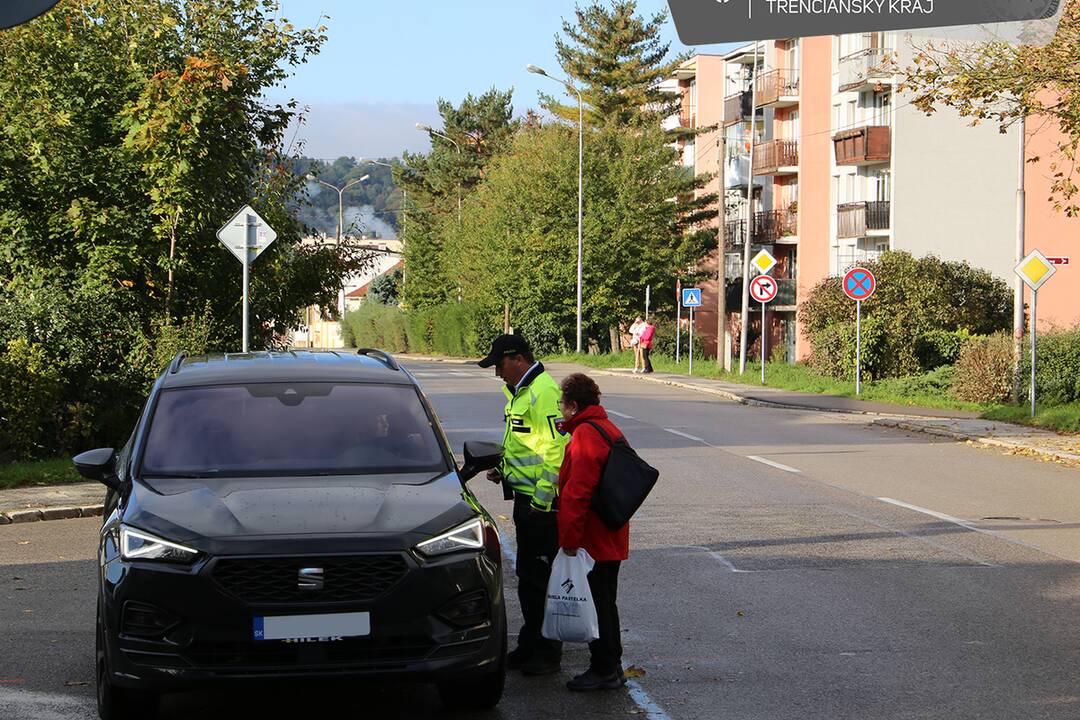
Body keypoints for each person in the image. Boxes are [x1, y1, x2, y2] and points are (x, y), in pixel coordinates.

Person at [478, 334, 569, 676]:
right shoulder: (521, 391)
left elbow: (556, 449)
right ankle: (530, 644)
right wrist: (503, 469)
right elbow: (522, 442)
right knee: (529, 577)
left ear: (517, 359)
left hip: (541, 506)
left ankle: (547, 652)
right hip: (526, 500)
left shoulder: (543, 392)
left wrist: (543, 500)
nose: (498, 373)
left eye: (499, 365)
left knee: (540, 579)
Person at [556, 372, 630, 691]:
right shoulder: (606, 427)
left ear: (573, 405)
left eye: (562, 403)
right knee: (605, 601)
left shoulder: (587, 434)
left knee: (597, 603)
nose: (560, 408)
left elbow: (578, 491)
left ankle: (603, 669)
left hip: (593, 537)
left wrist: (569, 540)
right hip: (611, 530)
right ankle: (611, 664)